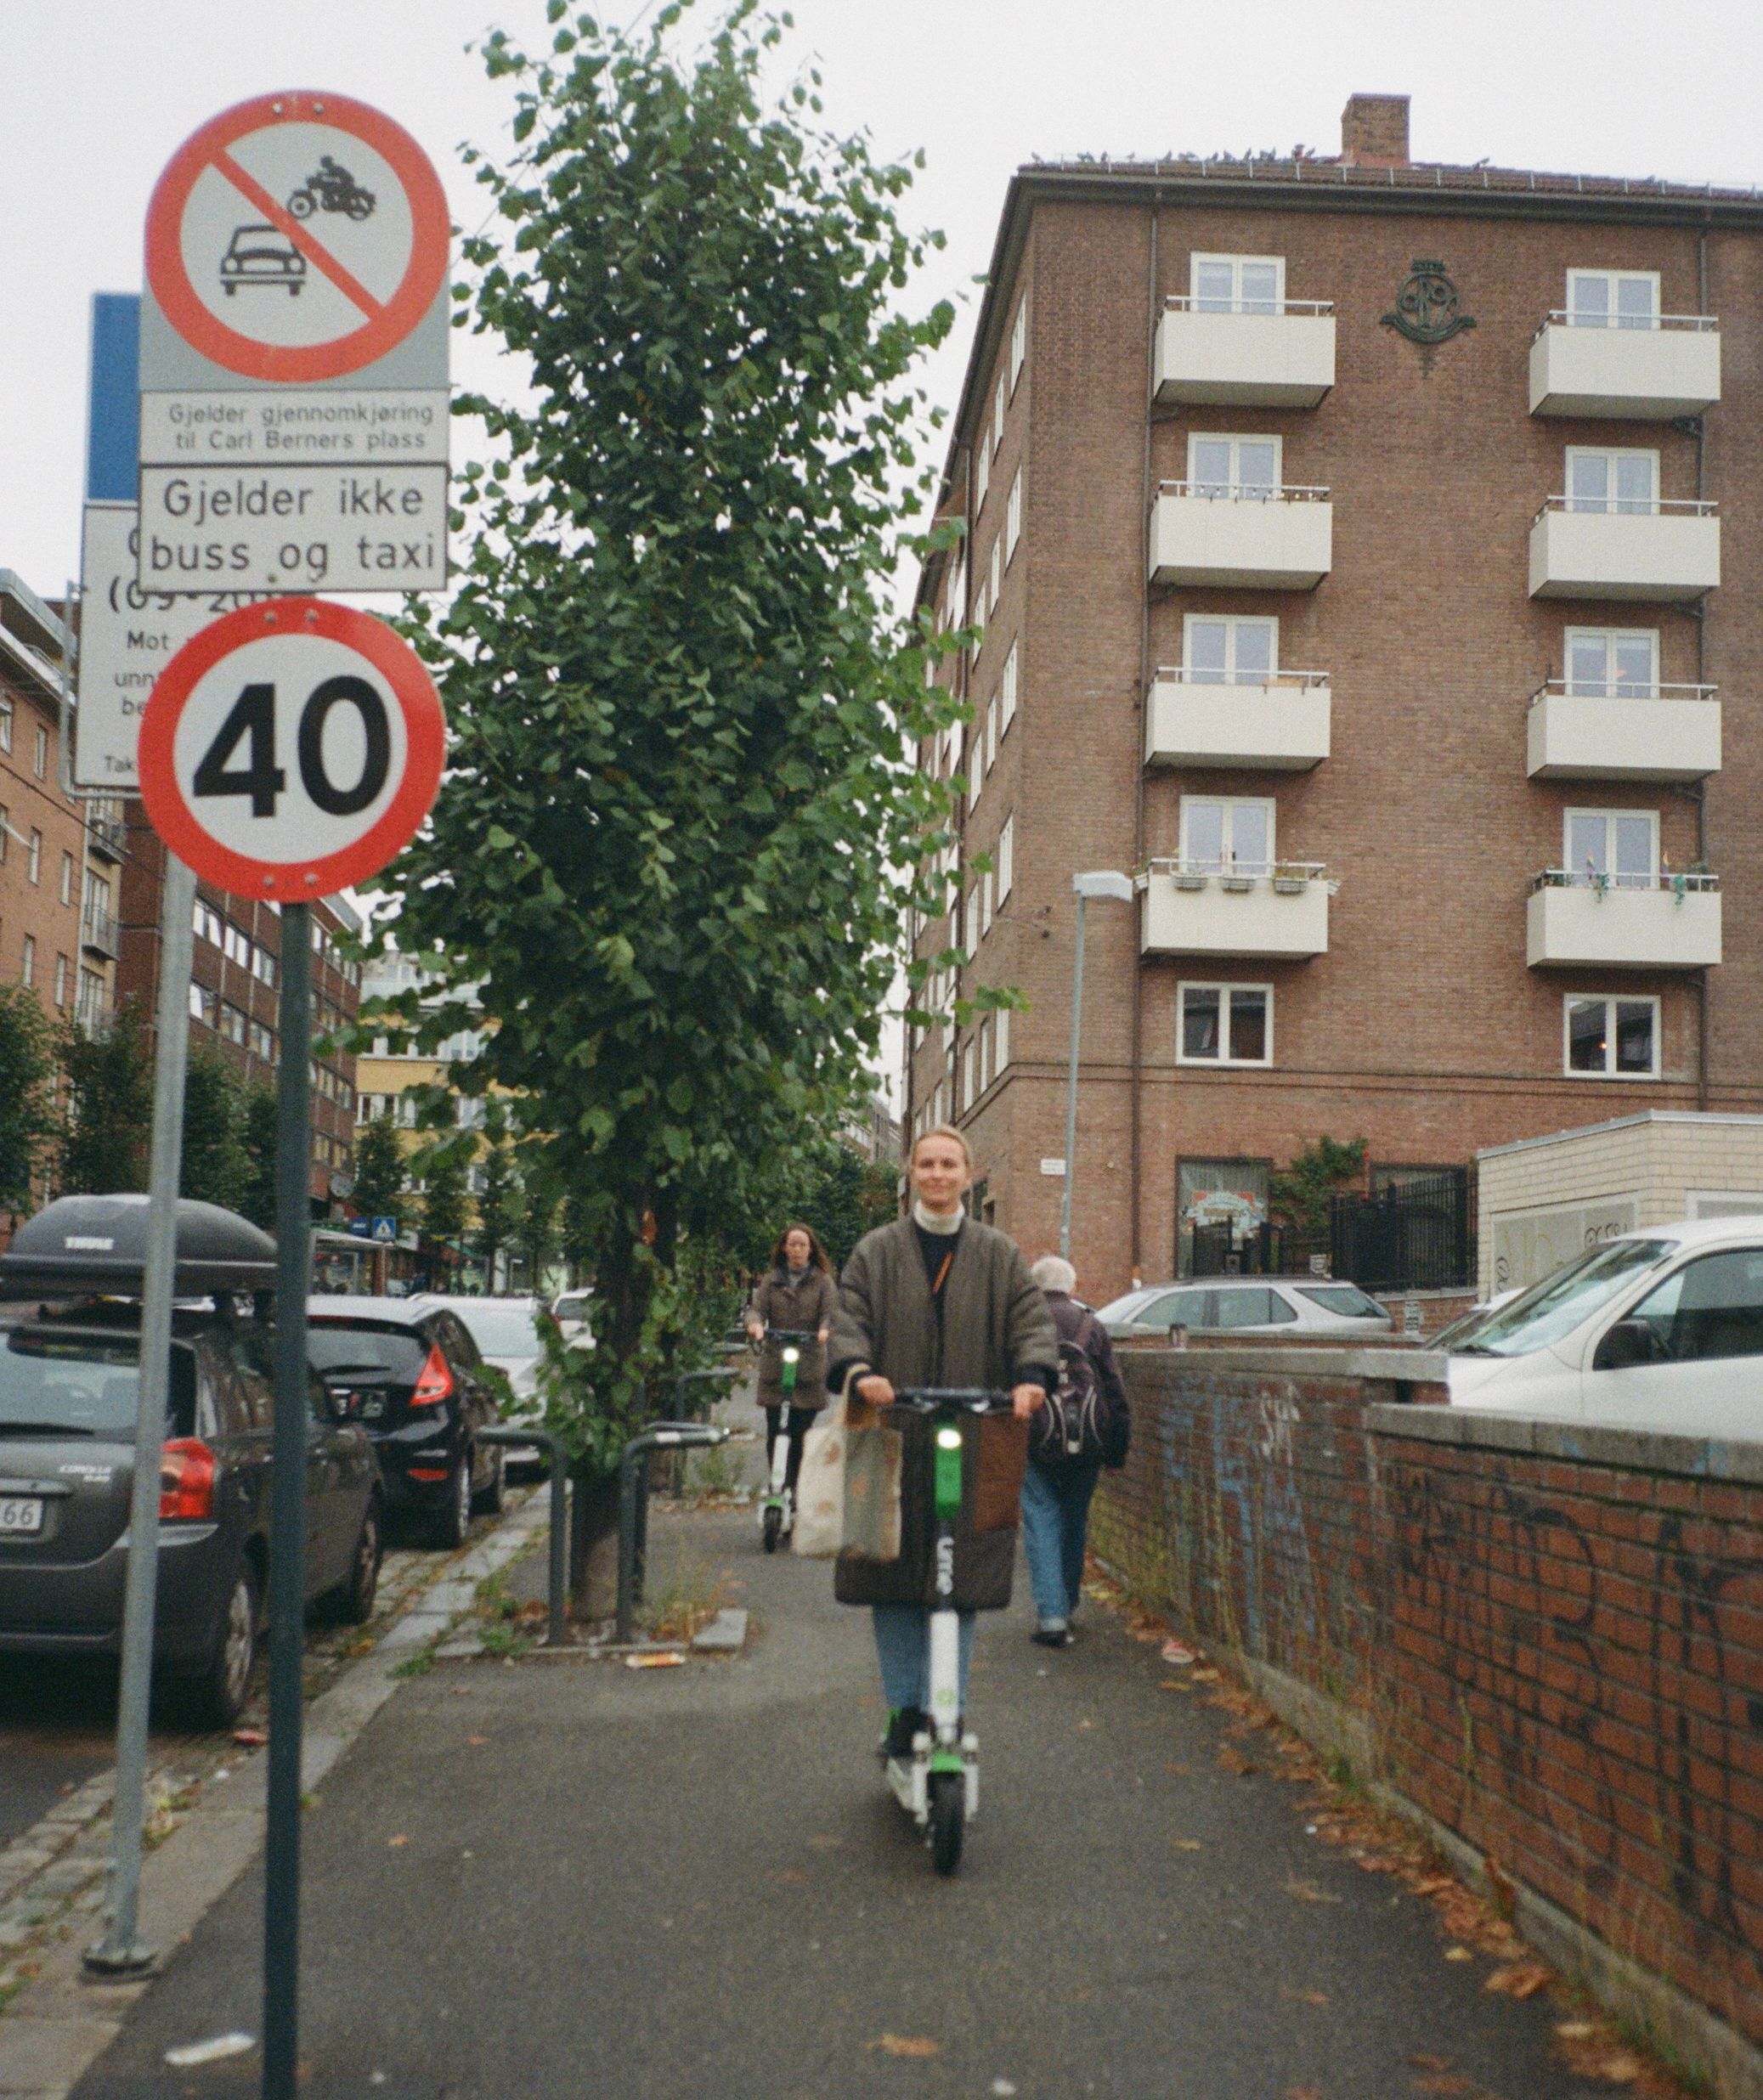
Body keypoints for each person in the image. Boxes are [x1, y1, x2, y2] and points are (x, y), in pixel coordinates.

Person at [828, 1125, 1058, 1757]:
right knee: (891, 1579)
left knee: (962, 1581)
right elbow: (848, 1320)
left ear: (968, 1172)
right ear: (910, 1172)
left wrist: (1031, 1378)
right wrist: (861, 1372)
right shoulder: (876, 1251)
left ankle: (945, 1711)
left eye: (947, 1164)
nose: (936, 1174)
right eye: (925, 1164)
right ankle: (904, 1711)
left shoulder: (997, 1253)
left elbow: (1029, 1323)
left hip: (974, 1436)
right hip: (890, 1437)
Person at [1020, 1255, 1131, 1647]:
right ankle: (1066, 1603)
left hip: (1035, 1440)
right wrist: (1116, 1452)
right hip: (1087, 1442)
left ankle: (1051, 1617)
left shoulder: (1023, 1323)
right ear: (1072, 1284)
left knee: (1041, 1521)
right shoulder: (1091, 1325)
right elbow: (1115, 1392)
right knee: (1073, 1521)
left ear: (1034, 1287)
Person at [743, 1223, 838, 1531]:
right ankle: (778, 1484)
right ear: (784, 1248)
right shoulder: (772, 1281)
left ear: (811, 1249)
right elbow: (755, 1310)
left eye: (802, 1245)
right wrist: (756, 1325)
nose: (797, 1250)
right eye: (792, 1244)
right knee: (775, 1427)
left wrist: (825, 1329)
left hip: (808, 1364)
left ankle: (795, 1487)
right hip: (777, 1362)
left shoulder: (822, 1282)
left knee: (801, 1430)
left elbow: (831, 1312)